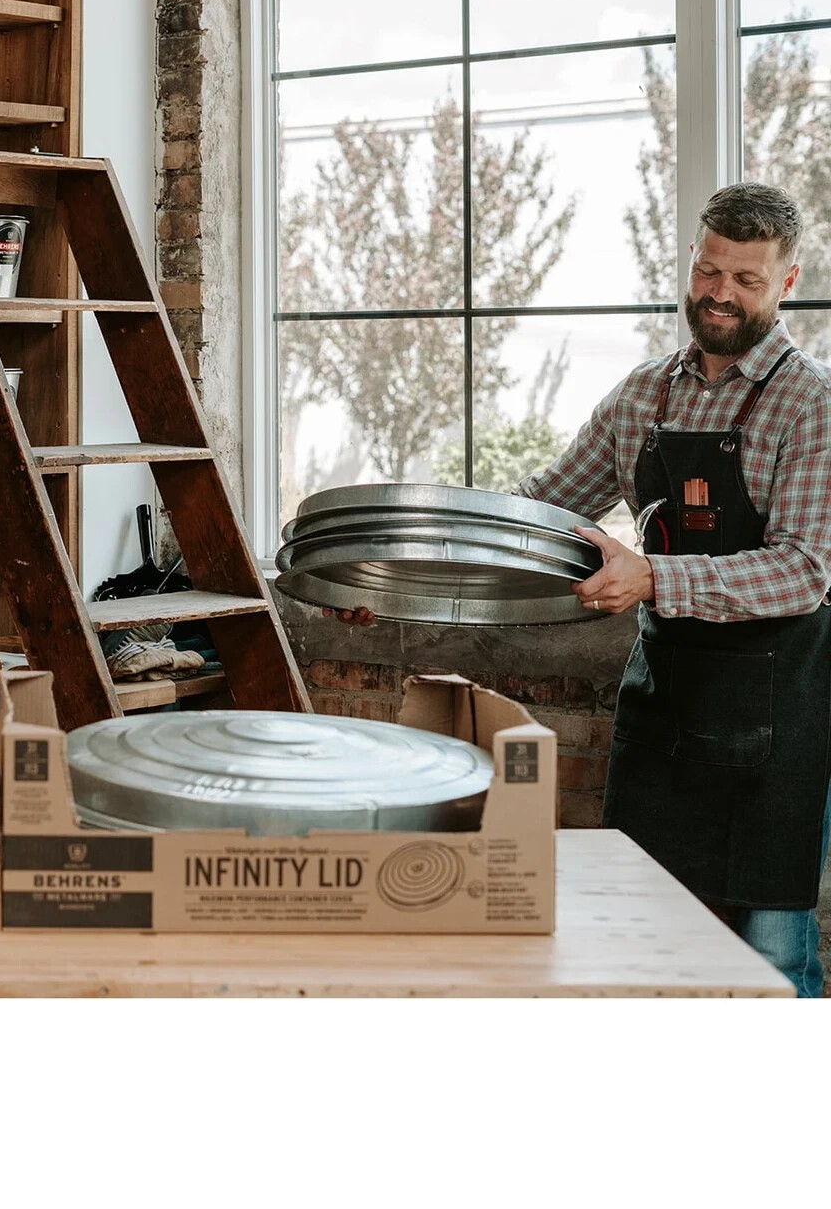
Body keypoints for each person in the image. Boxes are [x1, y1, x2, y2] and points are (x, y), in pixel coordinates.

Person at [331, 183, 831, 993]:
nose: (720, 294)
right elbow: (538, 520)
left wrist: (652, 574)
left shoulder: (812, 403)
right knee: (645, 937)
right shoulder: (644, 395)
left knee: (769, 958)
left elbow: (804, 570)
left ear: (787, 281)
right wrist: (396, 577)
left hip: (775, 725)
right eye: (709, 271)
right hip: (668, 710)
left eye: (746, 279)